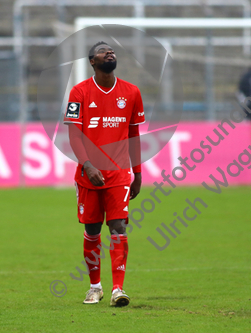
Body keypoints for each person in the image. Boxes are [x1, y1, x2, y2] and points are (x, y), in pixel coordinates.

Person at [63, 41, 145, 307]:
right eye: (103, 51)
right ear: (92, 62)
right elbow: (74, 134)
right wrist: (87, 164)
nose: (110, 53)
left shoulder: (131, 92)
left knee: (119, 226)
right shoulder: (79, 92)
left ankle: (118, 290)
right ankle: (95, 287)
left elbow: (134, 134)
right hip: (89, 174)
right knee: (92, 230)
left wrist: (138, 172)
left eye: (112, 51)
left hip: (119, 174)